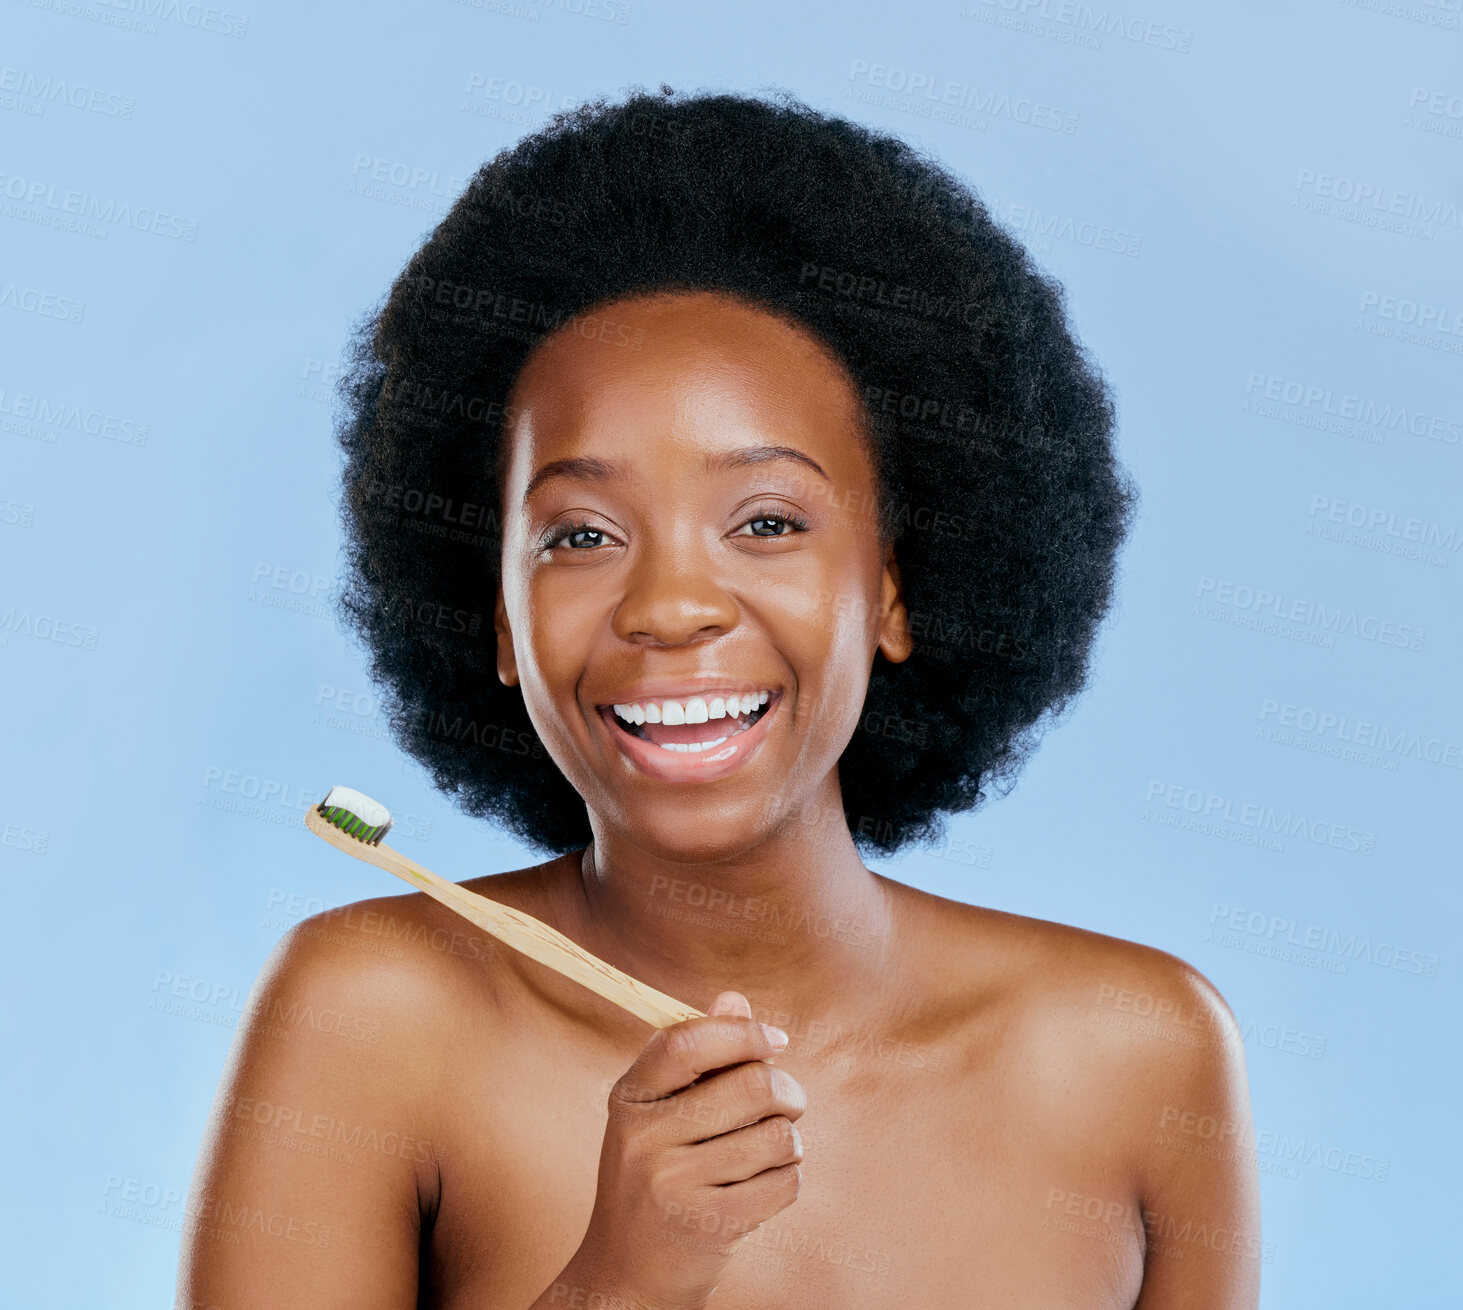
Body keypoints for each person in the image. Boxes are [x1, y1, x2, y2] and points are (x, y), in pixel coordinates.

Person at [178, 87, 1259, 1309]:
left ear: (900, 589)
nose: (670, 605)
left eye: (765, 521)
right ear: (493, 620)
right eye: (580, 534)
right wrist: (618, 1284)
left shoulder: (1138, 1051)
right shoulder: (373, 1018)